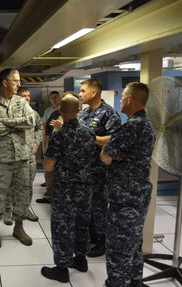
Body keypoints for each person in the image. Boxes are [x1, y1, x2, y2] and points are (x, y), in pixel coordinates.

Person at [101, 82, 155, 287]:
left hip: (125, 196)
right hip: (140, 193)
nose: (121, 100)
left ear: (130, 99)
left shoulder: (132, 125)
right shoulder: (146, 123)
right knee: (133, 241)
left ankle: (116, 282)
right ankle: (135, 281)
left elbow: (105, 155)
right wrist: (121, 155)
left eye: (123, 96)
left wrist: (117, 155)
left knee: (118, 245)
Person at [41, 94, 97, 283]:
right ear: (79, 111)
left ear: (61, 112)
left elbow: (48, 166)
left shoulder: (60, 136)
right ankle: (80, 260)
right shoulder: (89, 133)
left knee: (62, 227)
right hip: (86, 189)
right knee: (82, 224)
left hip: (66, 190)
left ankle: (62, 268)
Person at [0, 68, 35, 248]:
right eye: (16, 81)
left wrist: (5, 122)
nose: (19, 84)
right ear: (5, 83)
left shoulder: (22, 102)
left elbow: (31, 121)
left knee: (22, 195)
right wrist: (16, 125)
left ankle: (18, 227)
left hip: (21, 157)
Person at [78, 79, 121, 257]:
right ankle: (92, 236)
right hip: (83, 169)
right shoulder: (85, 113)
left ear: (94, 93)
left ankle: (103, 241)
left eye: (82, 91)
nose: (80, 94)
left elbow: (114, 139)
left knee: (100, 206)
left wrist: (91, 137)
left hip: (100, 170)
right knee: (86, 205)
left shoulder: (108, 114)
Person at [4, 87, 42, 222]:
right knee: (10, 184)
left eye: (28, 96)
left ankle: (25, 210)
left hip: (29, 157)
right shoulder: (8, 113)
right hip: (13, 156)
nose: (27, 98)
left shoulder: (34, 114)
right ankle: (8, 211)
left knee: (27, 184)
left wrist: (36, 143)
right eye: (24, 96)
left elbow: (39, 128)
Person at [39, 91, 61, 189]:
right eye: (51, 98)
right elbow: (44, 123)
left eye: (55, 97)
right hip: (48, 136)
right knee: (47, 157)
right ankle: (47, 180)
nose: (53, 99)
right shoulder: (48, 110)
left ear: (59, 98)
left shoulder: (62, 109)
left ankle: (54, 181)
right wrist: (44, 135)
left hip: (58, 138)